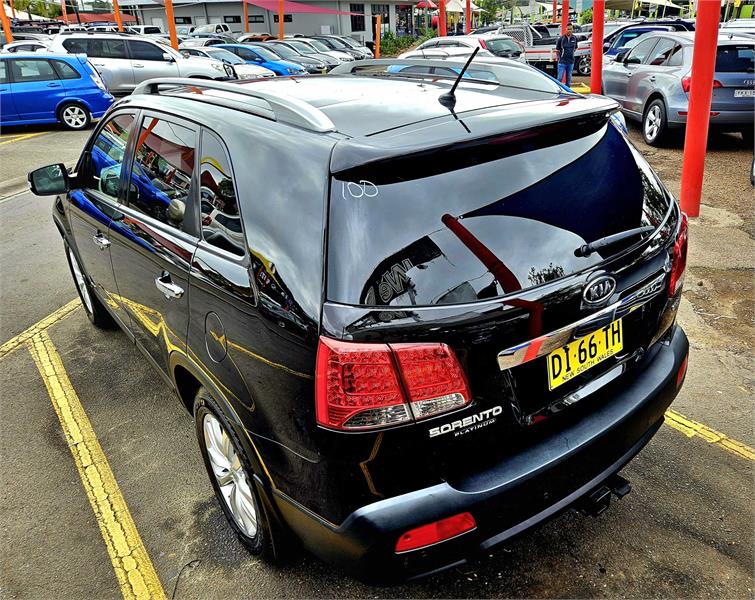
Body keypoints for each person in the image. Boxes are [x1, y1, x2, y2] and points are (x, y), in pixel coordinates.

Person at [556, 23, 578, 88]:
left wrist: (570, 54)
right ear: (565, 29)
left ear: (572, 29)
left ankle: (567, 91)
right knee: (559, 78)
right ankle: (558, 89)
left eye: (571, 29)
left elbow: (575, 48)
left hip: (571, 62)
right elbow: (557, 50)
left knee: (568, 79)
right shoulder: (561, 39)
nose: (569, 30)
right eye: (568, 29)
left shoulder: (575, 38)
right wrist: (560, 58)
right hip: (562, 62)